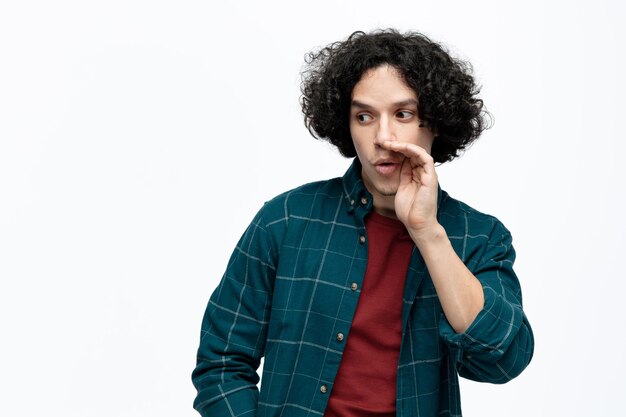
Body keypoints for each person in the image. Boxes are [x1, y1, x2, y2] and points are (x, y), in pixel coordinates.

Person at [191, 29, 534, 417]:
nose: (383, 137)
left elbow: (503, 359)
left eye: (403, 115)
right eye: (364, 116)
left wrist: (428, 233)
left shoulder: (478, 237)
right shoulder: (286, 220)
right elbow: (221, 364)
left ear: (435, 123)